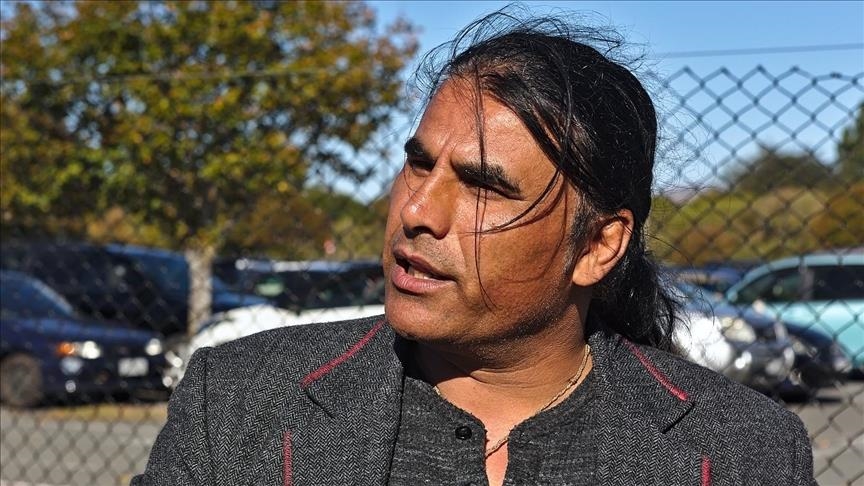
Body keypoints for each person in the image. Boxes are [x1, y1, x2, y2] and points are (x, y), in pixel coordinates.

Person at [133, 10, 815, 486]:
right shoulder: (236, 404)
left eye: (485, 187)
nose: (417, 212)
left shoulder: (745, 451)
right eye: (418, 163)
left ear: (599, 245)